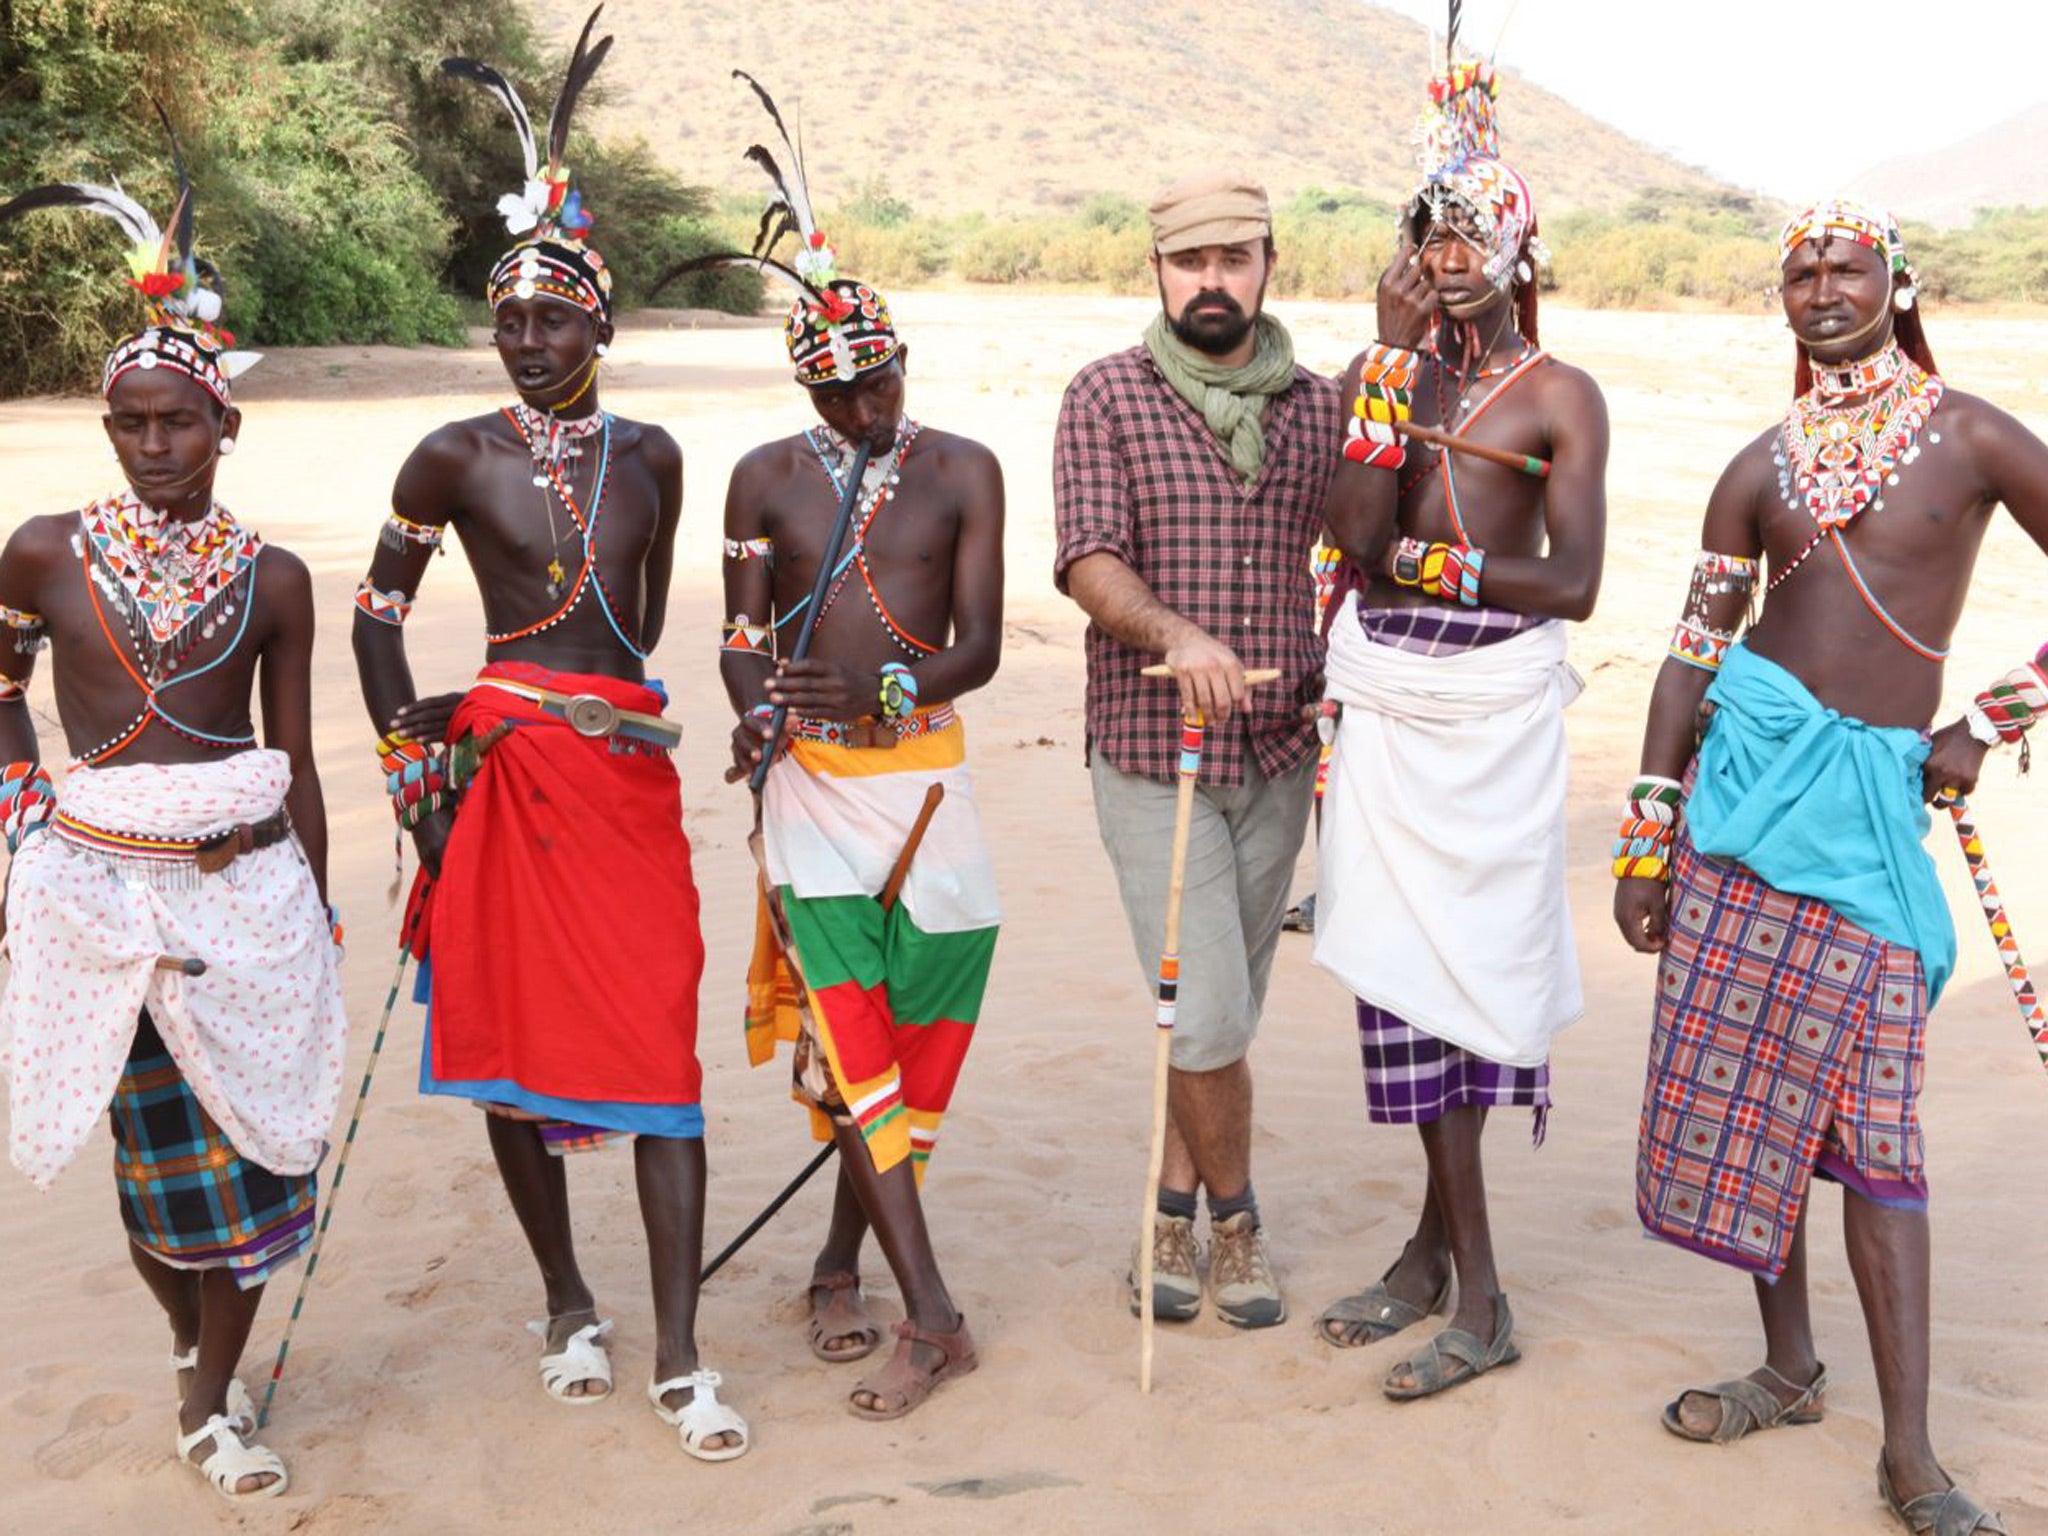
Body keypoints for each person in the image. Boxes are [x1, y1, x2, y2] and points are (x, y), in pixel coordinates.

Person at [1615, 199, 2048, 1536]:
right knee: (1755, 1106)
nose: (1819, 287)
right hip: (1736, 809)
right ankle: (1790, 1367)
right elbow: (1693, 653)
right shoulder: (1757, 468)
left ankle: (1909, 1450)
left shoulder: (1972, 435)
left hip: (1865, 825)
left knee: (1873, 1137)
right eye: (1798, 270)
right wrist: (1646, 833)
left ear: (1895, 280)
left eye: (1844, 265)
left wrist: (1989, 723)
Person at [351, 14, 746, 1460]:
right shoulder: (450, 455)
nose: (526, 342)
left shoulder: (656, 454)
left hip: (623, 769)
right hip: (502, 771)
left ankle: (685, 1353)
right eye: (509, 320)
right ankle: (570, 1300)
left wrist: (619, 716)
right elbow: (376, 620)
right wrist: (419, 775)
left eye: (554, 320)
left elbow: (637, 633)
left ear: (602, 330)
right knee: (509, 1039)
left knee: (660, 1050)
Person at [0, 142, 346, 1502]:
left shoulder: (275, 581)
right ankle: (194, 1351)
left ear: (226, 428)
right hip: (91, 903)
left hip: (246, 903)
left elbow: (300, 762)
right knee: (153, 1167)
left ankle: (211, 1391)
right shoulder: (40, 551)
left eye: (179, 422)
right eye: (131, 424)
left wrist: (314, 909)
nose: (155, 448)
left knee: (252, 1163)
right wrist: (24, 822)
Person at [680, 74, 1004, 1421]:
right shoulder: (764, 477)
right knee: (853, 1045)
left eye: (877, 380)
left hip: (928, 784)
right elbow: (740, 634)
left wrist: (879, 688)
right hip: (809, 797)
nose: (864, 409)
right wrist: (759, 705)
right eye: (836, 390)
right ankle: (934, 1320)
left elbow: (978, 648)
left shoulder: (965, 469)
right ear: (804, 387)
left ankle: (832, 1260)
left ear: (904, 364)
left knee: (919, 1047)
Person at [1311, 58, 1607, 1399]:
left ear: (1519, 244)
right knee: (1400, 973)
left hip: (1492, 714)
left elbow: (1577, 583)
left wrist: (1430, 576)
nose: (1447, 254)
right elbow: (1354, 540)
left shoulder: (1559, 396)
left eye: (1472, 231)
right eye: (1430, 232)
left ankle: (1480, 1296)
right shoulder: (1400, 378)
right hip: (1387, 700)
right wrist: (1379, 367)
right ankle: (1438, 1262)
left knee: (1471, 982)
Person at [1054, 170, 1338, 1329]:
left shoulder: (1321, 410)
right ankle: (1236, 1227)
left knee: (1214, 1013)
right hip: (1146, 747)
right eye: (1188, 261)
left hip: (1278, 754)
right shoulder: (1106, 396)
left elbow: (1367, 554)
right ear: (1156, 271)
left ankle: (1164, 1202)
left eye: (1232, 258)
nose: (1209, 280)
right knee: (1209, 1012)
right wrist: (1178, 635)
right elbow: (1086, 559)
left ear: (1268, 263)